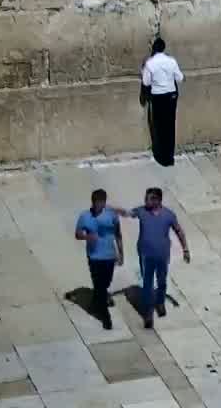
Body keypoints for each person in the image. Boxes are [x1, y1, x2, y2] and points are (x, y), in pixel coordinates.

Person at [120, 187, 188, 329]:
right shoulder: (141, 211)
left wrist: (185, 249)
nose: (145, 201)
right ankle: (148, 314)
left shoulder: (168, 215)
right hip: (146, 255)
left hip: (162, 255)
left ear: (157, 200)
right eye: (146, 198)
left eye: (149, 198)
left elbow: (179, 232)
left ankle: (160, 302)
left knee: (162, 281)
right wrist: (113, 209)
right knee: (147, 285)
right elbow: (128, 213)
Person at [73, 189, 123, 330]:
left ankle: (96, 301)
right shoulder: (85, 216)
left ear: (104, 202)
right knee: (100, 285)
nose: (97, 206)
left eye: (100, 203)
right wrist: (87, 237)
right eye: (95, 203)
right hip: (94, 256)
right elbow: (77, 234)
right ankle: (105, 317)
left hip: (109, 256)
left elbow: (118, 235)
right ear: (92, 201)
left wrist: (121, 253)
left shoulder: (112, 215)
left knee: (105, 283)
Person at [141, 37, 183, 166]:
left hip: (158, 97)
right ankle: (169, 156)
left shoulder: (150, 63)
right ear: (164, 48)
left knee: (159, 126)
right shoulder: (171, 61)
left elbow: (146, 82)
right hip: (171, 96)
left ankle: (161, 155)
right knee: (170, 126)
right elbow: (180, 78)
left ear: (154, 49)